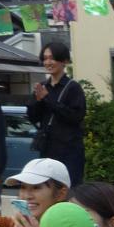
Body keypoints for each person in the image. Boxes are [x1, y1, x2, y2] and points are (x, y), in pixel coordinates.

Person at [27, 40, 86, 186]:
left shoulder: (73, 87)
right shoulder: (42, 87)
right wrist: (38, 101)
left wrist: (47, 99)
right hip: (47, 148)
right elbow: (33, 117)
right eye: (45, 58)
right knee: (48, 189)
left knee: (69, 189)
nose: (48, 62)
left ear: (64, 61)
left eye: (52, 58)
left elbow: (76, 116)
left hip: (69, 150)